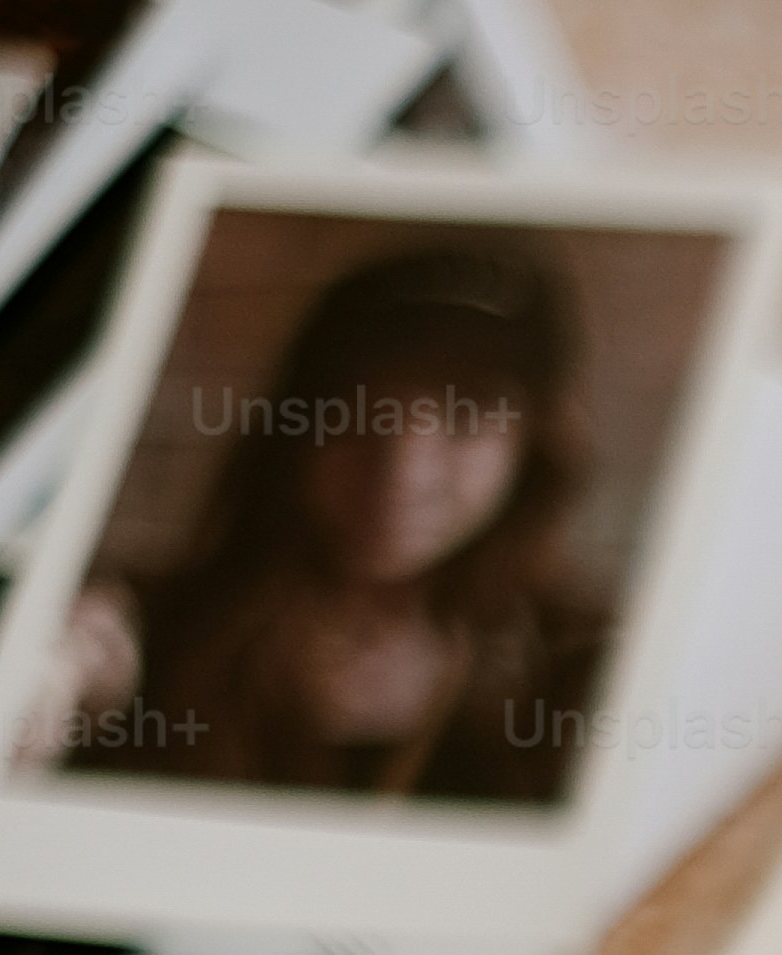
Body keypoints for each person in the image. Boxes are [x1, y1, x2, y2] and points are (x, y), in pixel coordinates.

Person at [33, 241, 609, 808]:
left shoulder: (579, 674)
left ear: (533, 445)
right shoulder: (144, 639)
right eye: (355, 410)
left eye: (465, 415)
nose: (401, 471)